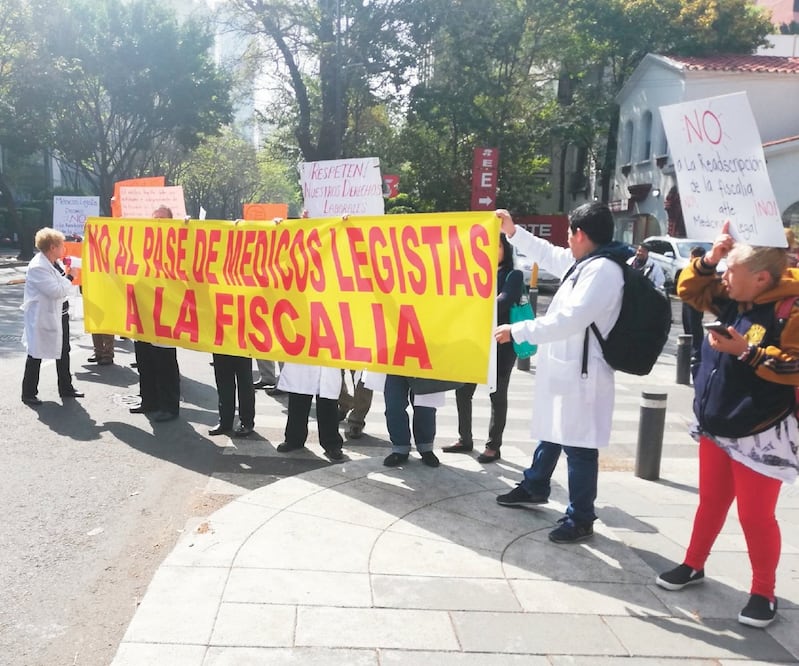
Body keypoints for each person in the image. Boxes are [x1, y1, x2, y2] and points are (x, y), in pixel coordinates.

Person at [655, 222, 799, 629]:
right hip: (717, 422)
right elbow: (689, 290)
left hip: (761, 430)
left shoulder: (790, 308)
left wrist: (747, 352)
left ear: (761, 278)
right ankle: (693, 563)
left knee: (755, 516)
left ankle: (763, 591)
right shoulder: (736, 298)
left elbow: (794, 365)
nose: (723, 279)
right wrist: (711, 257)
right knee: (712, 502)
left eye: (730, 272)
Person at [493, 202, 625, 543]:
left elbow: (572, 319)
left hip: (584, 374)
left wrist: (520, 331)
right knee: (552, 431)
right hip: (566, 370)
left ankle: (581, 517)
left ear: (580, 234)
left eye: (569, 232)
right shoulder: (585, 264)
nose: (566, 240)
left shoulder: (603, 272)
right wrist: (513, 231)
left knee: (579, 447)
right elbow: (548, 254)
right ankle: (536, 484)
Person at [444, 233, 522, 462]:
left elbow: (504, 301)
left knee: (497, 395)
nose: (493, 250)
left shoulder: (513, 274)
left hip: (502, 343)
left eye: (497, 246)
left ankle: (493, 446)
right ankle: (465, 439)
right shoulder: (479, 273)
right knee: (463, 391)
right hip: (476, 342)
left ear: (505, 249)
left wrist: (472, 303)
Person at [21, 228, 84, 405]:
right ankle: (28, 393)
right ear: (52, 247)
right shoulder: (38, 267)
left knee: (64, 351)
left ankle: (66, 388)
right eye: (61, 245)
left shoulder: (54, 262)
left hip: (59, 314)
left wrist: (67, 275)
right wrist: (71, 277)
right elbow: (56, 290)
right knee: (36, 353)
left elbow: (59, 283)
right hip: (43, 317)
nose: (64, 248)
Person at [129, 206, 181, 422]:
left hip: (165, 314)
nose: (158, 222)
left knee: (165, 362)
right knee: (145, 360)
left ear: (171, 221)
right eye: (155, 218)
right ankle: (148, 400)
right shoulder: (144, 245)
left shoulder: (178, 245)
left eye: (162, 219)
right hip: (143, 313)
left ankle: (169, 406)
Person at [209, 353, 255, 437]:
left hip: (242, 346)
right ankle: (225, 422)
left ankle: (247, 422)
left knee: (245, 383)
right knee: (223, 384)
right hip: (222, 346)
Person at [681, 246, 706, 374]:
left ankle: (697, 352)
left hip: (695, 302)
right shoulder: (691, 267)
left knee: (694, 326)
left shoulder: (701, 268)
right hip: (687, 301)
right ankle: (686, 349)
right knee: (687, 325)